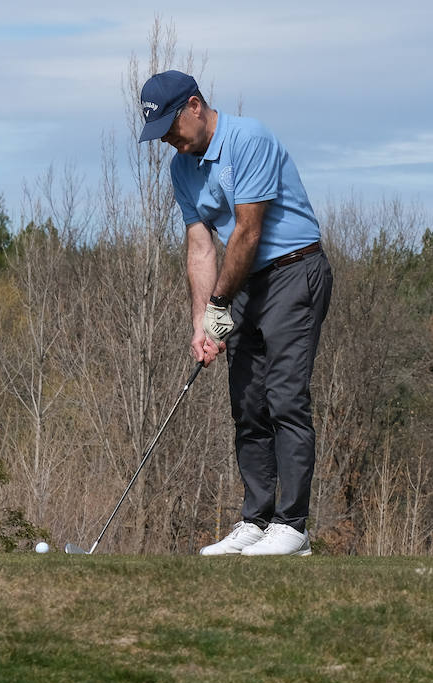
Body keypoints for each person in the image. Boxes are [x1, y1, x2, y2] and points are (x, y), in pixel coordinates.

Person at [138, 70, 332, 556]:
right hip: (242, 282)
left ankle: (293, 526)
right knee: (247, 403)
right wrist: (202, 322)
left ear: (195, 106)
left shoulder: (250, 139)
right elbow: (201, 247)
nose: (169, 141)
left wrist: (221, 304)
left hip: (293, 270)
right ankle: (257, 520)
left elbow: (247, 232)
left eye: (171, 128)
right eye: (159, 135)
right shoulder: (181, 167)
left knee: (285, 397)